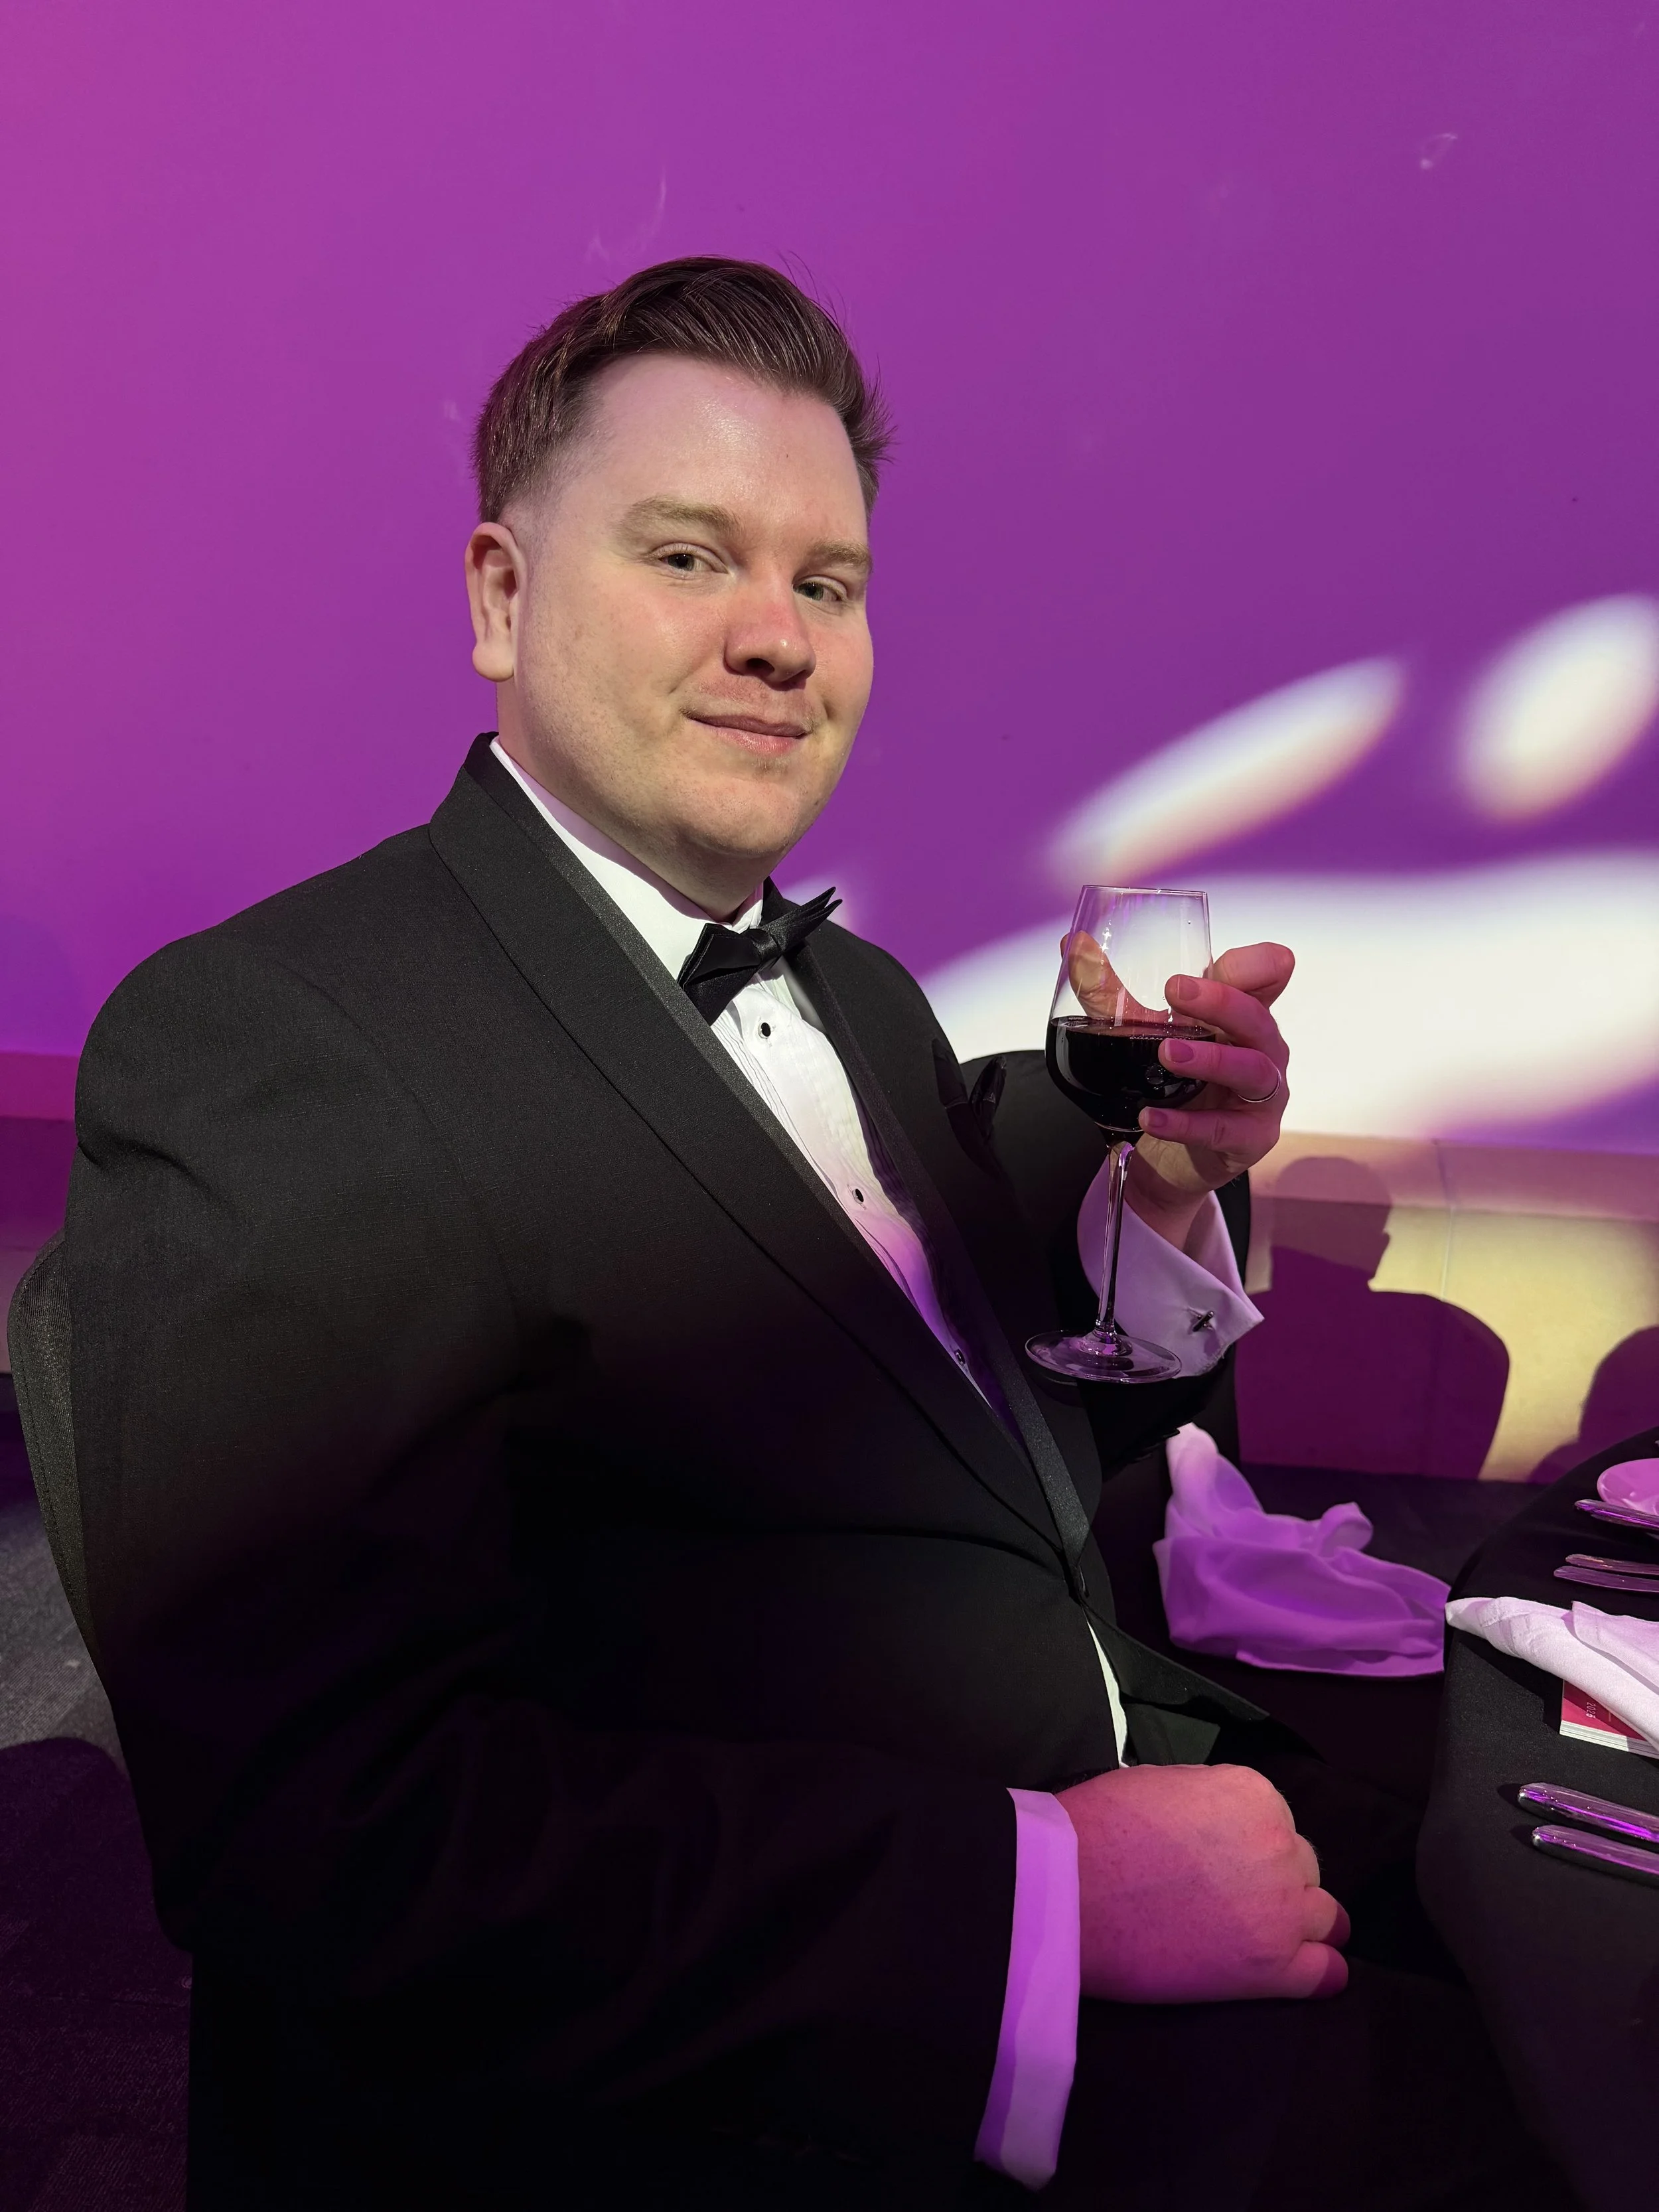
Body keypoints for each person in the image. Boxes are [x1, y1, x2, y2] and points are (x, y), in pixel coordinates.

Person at [64, 259, 1571, 2209]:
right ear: (499, 598)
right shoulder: (277, 1037)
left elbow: (958, 1411)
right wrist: (1034, 1898)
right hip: (794, 2066)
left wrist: (1162, 1190)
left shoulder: (853, 999)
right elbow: (319, 1828)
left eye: (827, 582)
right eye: (689, 556)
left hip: (1170, 1781)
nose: (776, 637)